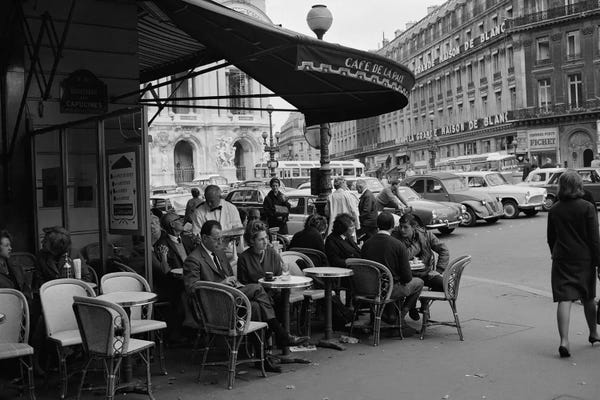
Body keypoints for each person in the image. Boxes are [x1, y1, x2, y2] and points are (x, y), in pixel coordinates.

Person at [183, 220, 309, 372]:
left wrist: (235, 283)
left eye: (221, 238)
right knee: (257, 289)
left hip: (234, 297)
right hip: (216, 306)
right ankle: (281, 334)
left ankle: (262, 358)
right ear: (204, 238)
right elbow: (192, 288)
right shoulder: (193, 259)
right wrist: (223, 283)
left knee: (256, 306)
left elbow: (233, 277)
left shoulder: (220, 253)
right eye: (216, 239)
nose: (220, 242)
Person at [547, 170, 600, 358]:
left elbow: (551, 238)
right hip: (584, 259)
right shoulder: (587, 207)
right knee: (588, 297)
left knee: (564, 298)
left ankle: (564, 341)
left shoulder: (554, 209)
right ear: (579, 186)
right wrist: (598, 262)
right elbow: (594, 238)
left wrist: (555, 253)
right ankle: (593, 333)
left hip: (562, 259)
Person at [361, 212, 424, 328]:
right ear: (392, 226)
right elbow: (407, 277)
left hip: (367, 289)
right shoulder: (397, 245)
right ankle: (400, 317)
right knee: (419, 282)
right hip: (389, 290)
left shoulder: (366, 244)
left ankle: (387, 315)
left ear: (377, 225)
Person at [393, 213, 449, 320]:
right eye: (400, 226)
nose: (402, 230)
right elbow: (402, 256)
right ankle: (410, 306)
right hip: (406, 275)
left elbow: (444, 250)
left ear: (414, 227)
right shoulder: (396, 237)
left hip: (425, 272)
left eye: (405, 227)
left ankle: (423, 301)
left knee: (443, 285)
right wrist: (416, 247)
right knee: (415, 284)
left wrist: (438, 270)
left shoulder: (426, 235)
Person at [237, 220, 283, 285]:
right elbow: (244, 285)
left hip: (274, 291)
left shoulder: (272, 254)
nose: (265, 242)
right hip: (255, 293)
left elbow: (280, 277)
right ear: (252, 240)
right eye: (261, 239)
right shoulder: (244, 258)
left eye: (266, 238)